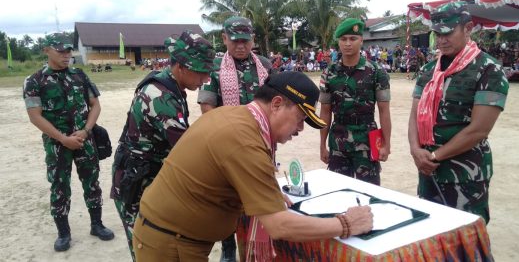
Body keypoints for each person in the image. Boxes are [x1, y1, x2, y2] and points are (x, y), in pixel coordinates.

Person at [133, 71, 374, 262]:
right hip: (170, 244)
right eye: (300, 120)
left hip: (172, 236)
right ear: (277, 104)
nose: (300, 130)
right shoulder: (244, 140)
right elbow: (279, 225)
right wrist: (345, 224)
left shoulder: (236, 117)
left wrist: (264, 191)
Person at [110, 30, 216, 261]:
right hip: (137, 182)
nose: (206, 79)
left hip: (151, 177)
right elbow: (189, 151)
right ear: (181, 67)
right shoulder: (159, 96)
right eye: (202, 72)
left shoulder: (171, 86)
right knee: (145, 247)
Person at [407, 1, 509, 224]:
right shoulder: (428, 70)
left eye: (448, 32)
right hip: (428, 170)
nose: (442, 40)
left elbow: (478, 130)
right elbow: (414, 115)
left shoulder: (488, 69)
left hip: (466, 175)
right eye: (437, 34)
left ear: (468, 28)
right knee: (429, 234)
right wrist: (416, 150)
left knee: (467, 240)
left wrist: (433, 156)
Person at [23, 33, 114, 252]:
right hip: (57, 144)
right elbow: (35, 116)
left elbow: (95, 105)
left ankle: (97, 224)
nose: (66, 55)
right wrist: (63, 139)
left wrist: (85, 130)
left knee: (92, 181)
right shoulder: (34, 81)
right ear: (46, 51)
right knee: (59, 186)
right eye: (60, 51)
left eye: (68, 51)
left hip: (85, 140)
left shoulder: (80, 76)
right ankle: (63, 233)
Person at [197, 15, 275, 261]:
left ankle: (260, 238)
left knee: (260, 187)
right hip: (228, 144)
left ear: (252, 39)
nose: (241, 45)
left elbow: (275, 102)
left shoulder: (265, 65)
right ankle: (229, 246)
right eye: (235, 40)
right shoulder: (215, 68)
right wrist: (227, 135)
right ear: (224, 39)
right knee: (227, 195)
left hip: (261, 141)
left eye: (245, 40)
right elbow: (207, 105)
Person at [319, 18, 392, 186]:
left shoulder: (376, 72)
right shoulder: (329, 73)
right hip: (338, 141)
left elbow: (384, 111)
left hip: (366, 141)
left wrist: (386, 144)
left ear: (361, 40)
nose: (348, 43)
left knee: (370, 192)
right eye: (343, 39)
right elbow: (325, 111)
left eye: (353, 38)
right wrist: (322, 145)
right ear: (338, 42)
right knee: (338, 192)